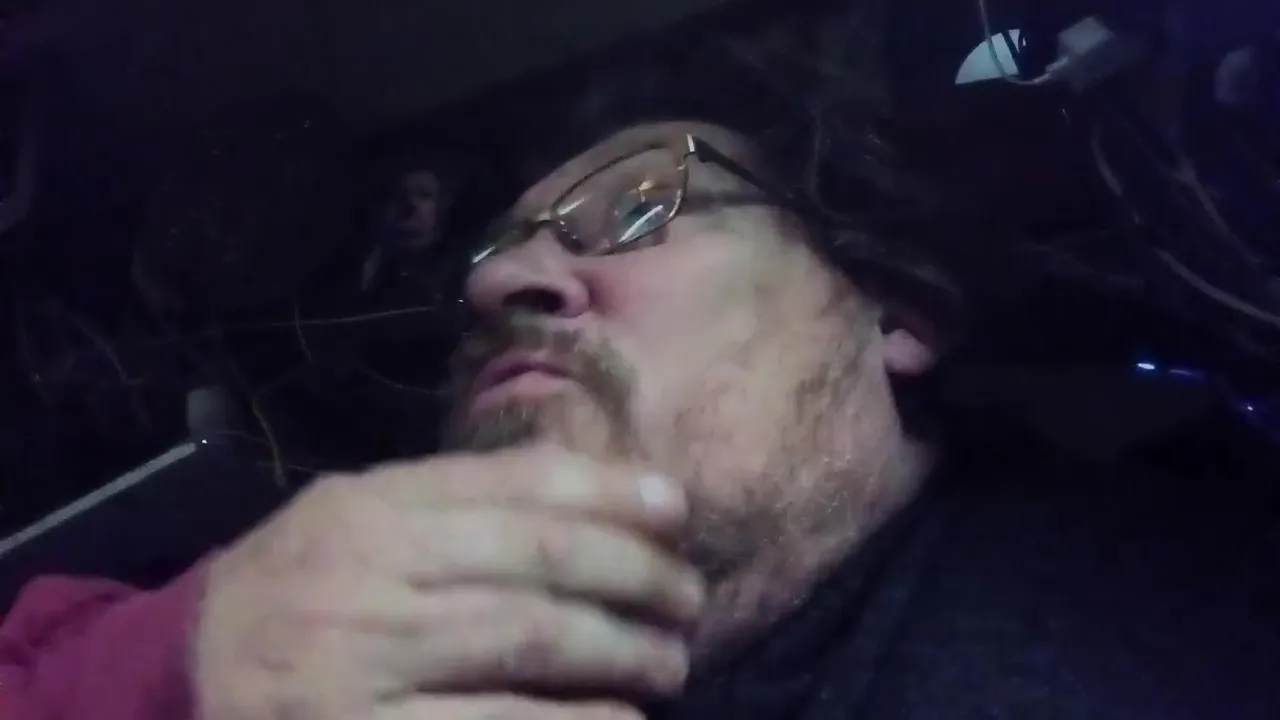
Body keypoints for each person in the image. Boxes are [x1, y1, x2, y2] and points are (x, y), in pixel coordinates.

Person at [2, 3, 1278, 720]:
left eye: (635, 209)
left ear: (891, 311)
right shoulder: (320, 642)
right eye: (496, 251)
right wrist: (170, 668)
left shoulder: (1173, 632)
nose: (497, 281)